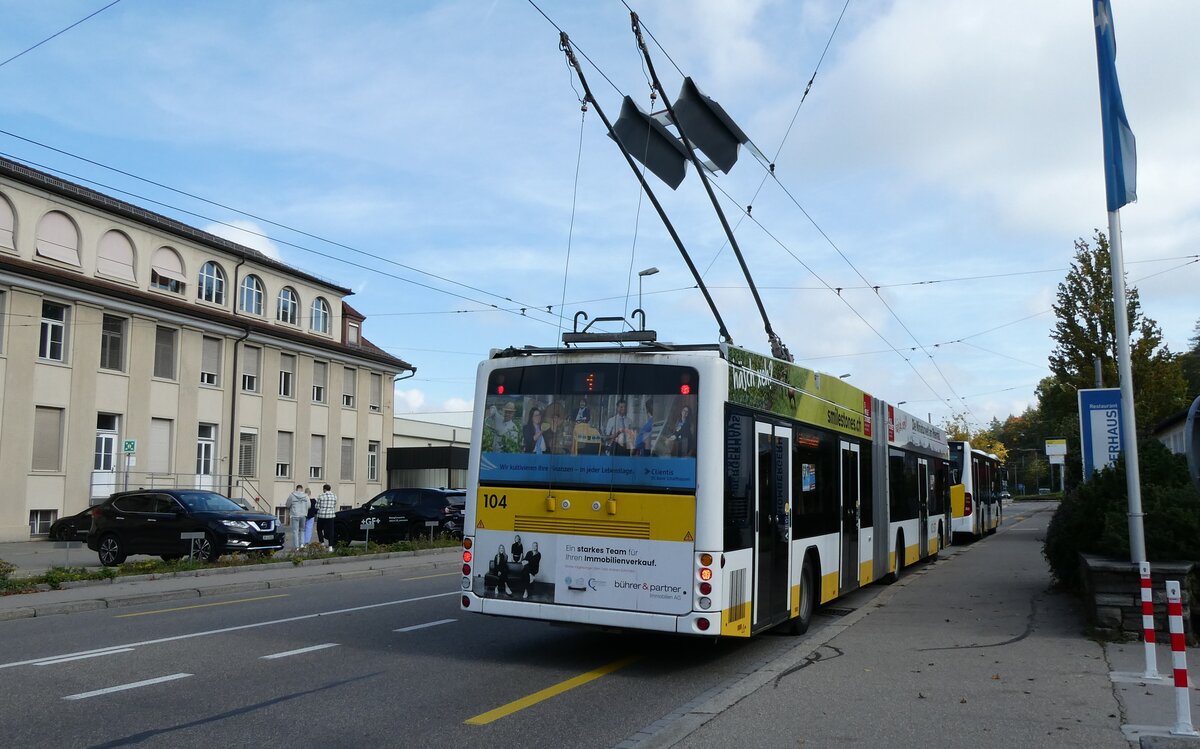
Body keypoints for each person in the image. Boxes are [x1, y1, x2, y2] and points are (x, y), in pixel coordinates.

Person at [315, 483, 338, 550]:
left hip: (321, 515)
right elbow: (334, 505)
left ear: (324, 489)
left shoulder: (321, 496)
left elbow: (316, 506)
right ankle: (330, 546)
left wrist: (321, 508)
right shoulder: (334, 496)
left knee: (319, 529)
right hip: (330, 515)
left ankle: (322, 543)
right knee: (331, 531)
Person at [286, 484, 308, 551]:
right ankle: (302, 544)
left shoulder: (292, 495)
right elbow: (309, 505)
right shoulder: (306, 496)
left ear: (296, 489)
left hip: (295, 514)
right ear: (302, 489)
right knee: (302, 530)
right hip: (303, 514)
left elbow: (288, 504)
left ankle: (296, 546)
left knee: (295, 531)